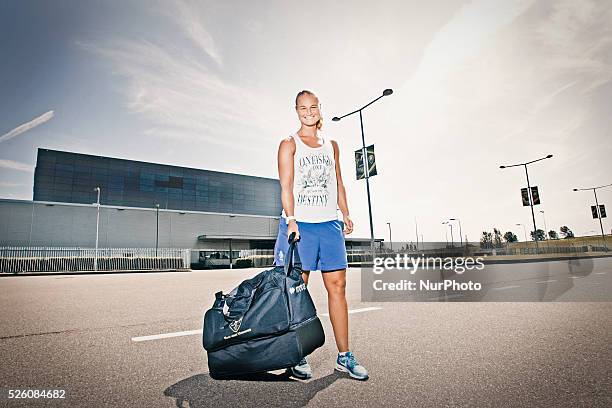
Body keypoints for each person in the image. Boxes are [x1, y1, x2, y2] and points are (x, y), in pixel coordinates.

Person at [273, 89, 369, 381]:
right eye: (303, 108)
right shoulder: (289, 144)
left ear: (319, 109)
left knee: (337, 287)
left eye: (312, 107)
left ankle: (344, 356)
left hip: (329, 225)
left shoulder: (332, 145)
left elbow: (338, 181)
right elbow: (286, 186)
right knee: (296, 291)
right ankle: (296, 356)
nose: (308, 112)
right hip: (300, 225)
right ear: (296, 111)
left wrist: (346, 212)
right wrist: (291, 220)